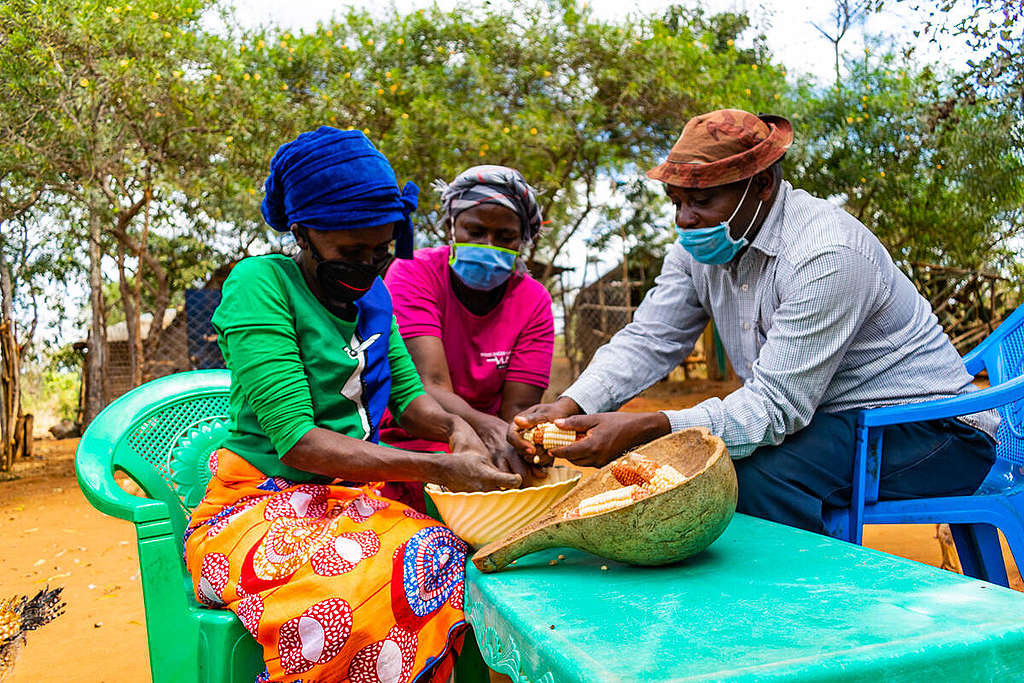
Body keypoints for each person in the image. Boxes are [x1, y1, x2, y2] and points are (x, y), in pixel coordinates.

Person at [510, 108, 999, 536]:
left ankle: (804, 617)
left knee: (744, 479)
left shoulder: (825, 252)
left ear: (762, 185)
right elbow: (649, 339)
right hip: (829, 423)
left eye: (701, 200)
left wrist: (650, 426)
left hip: (929, 432)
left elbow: (776, 405)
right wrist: (571, 404)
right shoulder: (695, 252)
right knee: (713, 464)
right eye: (677, 201)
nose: (685, 218)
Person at [183, 127, 522, 683]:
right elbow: (299, 441)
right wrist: (439, 465)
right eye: (349, 252)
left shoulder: (374, 296)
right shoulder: (260, 284)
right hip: (261, 506)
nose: (366, 267)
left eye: (379, 252)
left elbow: (411, 400)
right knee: (402, 571)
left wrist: (458, 428)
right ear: (303, 234)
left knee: (491, 547)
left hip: (354, 497)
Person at [379, 165, 554, 506]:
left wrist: (514, 448)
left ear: (523, 239)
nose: (488, 246)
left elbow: (517, 408)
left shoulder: (534, 302)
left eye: (505, 238)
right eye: (474, 231)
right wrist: (484, 428)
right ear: (450, 228)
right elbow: (428, 384)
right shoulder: (414, 273)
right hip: (413, 441)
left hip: (493, 441)